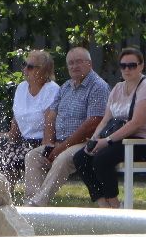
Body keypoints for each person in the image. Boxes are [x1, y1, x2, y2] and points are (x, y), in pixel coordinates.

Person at [73, 48, 146, 208]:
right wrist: (95, 139)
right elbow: (105, 120)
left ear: (141, 66)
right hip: (122, 140)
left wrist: (107, 141)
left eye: (132, 65)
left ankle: (116, 206)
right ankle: (103, 204)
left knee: (102, 158)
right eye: (123, 66)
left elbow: (136, 123)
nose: (127, 69)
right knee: (81, 158)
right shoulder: (117, 88)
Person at [24, 47, 108, 205]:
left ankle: (39, 203)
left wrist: (61, 147)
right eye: (71, 63)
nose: (74, 66)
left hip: (86, 143)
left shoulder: (98, 87)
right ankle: (32, 203)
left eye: (79, 62)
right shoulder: (66, 87)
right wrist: (49, 144)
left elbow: (93, 123)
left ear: (89, 64)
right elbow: (51, 116)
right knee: (33, 156)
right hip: (60, 142)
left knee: (62, 158)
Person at [0, 50, 59, 184]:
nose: (25, 69)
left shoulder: (52, 90)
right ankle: (4, 200)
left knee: (19, 159)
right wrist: (10, 143)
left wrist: (45, 151)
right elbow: (16, 119)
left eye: (30, 67)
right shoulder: (21, 88)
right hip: (23, 142)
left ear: (44, 71)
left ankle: (32, 200)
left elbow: (50, 122)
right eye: (24, 65)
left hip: (40, 143)